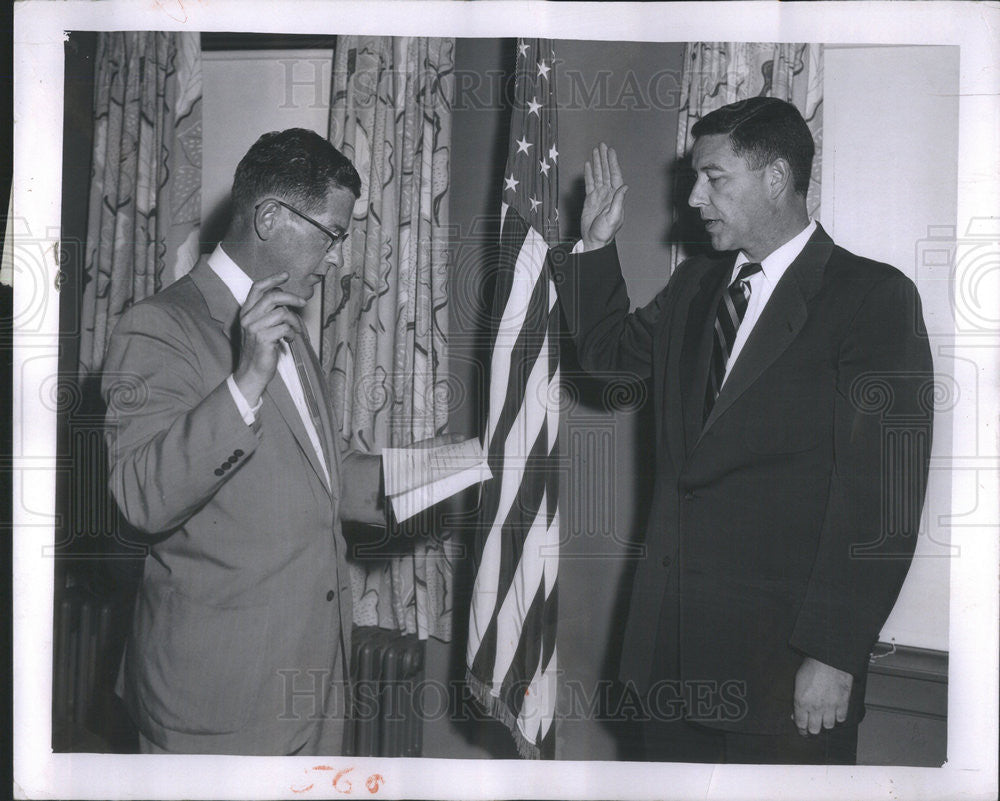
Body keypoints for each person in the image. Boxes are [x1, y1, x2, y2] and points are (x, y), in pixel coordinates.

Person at [553, 98, 933, 764]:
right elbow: (609, 360)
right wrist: (596, 245)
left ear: (777, 178)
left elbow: (884, 501)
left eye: (714, 177)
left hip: (784, 677)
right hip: (668, 667)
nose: (695, 197)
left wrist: (833, 653)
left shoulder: (872, 298)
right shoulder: (697, 284)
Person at [103, 129, 425, 755]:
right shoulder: (160, 325)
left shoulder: (286, 322)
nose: (337, 256)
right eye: (332, 233)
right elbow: (139, 496)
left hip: (313, 692)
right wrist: (245, 379)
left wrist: (444, 469)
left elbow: (319, 480)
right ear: (271, 216)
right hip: (216, 707)